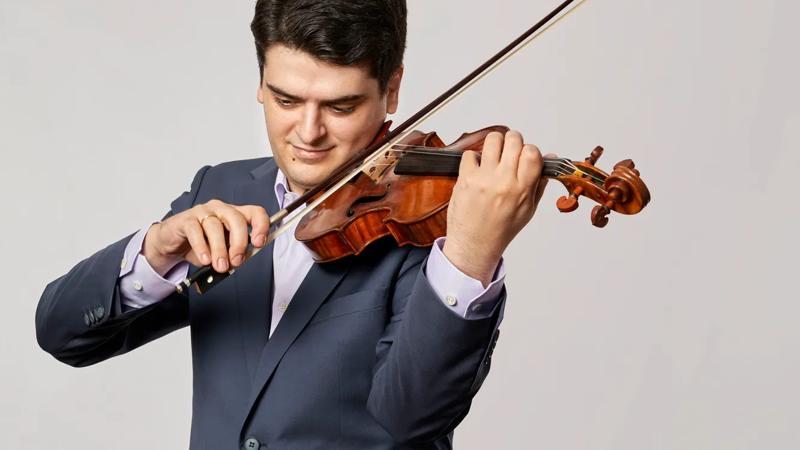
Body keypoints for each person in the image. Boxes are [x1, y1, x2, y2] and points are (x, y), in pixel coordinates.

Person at [35, 1, 547, 449]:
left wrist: (470, 255)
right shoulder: (220, 190)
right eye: (286, 100)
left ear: (392, 91)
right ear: (260, 81)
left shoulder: (435, 226)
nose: (308, 133)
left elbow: (412, 415)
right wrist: (156, 251)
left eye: (341, 106)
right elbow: (62, 334)